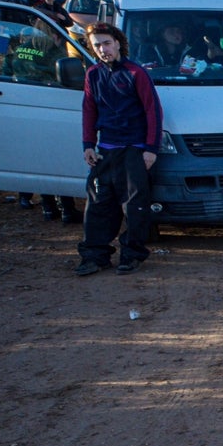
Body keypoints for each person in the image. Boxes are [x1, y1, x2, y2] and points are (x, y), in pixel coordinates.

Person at [75, 22, 163, 276]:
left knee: (134, 207)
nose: (102, 49)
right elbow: (89, 111)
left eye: (106, 43)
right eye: (97, 45)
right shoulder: (93, 74)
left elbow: (153, 111)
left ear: (117, 43)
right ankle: (95, 256)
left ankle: (131, 255)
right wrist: (88, 144)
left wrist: (150, 149)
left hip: (134, 150)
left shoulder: (136, 73)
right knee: (98, 205)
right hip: (105, 150)